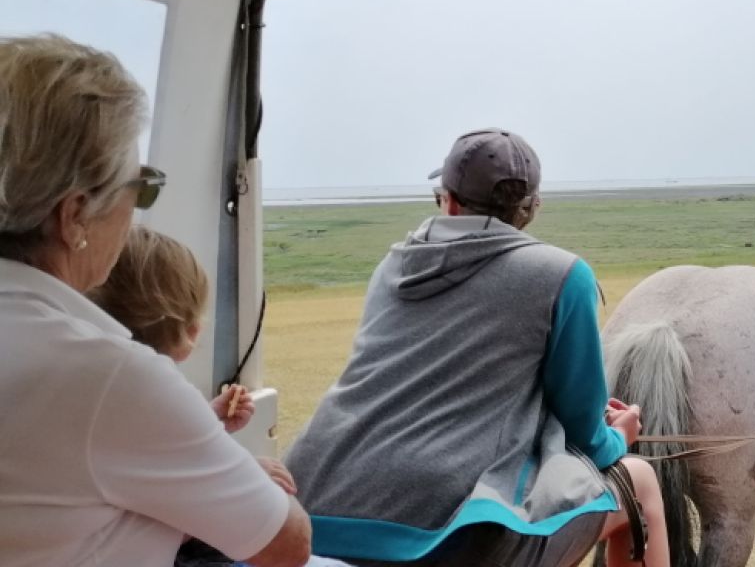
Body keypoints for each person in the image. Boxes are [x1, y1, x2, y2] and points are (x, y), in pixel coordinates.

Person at [284, 128, 669, 567]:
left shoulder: (394, 264)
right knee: (639, 483)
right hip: (446, 533)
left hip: (309, 512)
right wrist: (619, 435)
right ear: (530, 209)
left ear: (448, 200)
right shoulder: (563, 275)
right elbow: (586, 431)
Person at [0, 33, 311, 567]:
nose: (136, 213)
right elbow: (286, 544)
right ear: (74, 214)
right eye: (141, 188)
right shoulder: (104, 374)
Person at [92, 225, 256, 432]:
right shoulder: (165, 396)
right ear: (191, 331)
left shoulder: (98, 385)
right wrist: (258, 465)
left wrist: (208, 420)